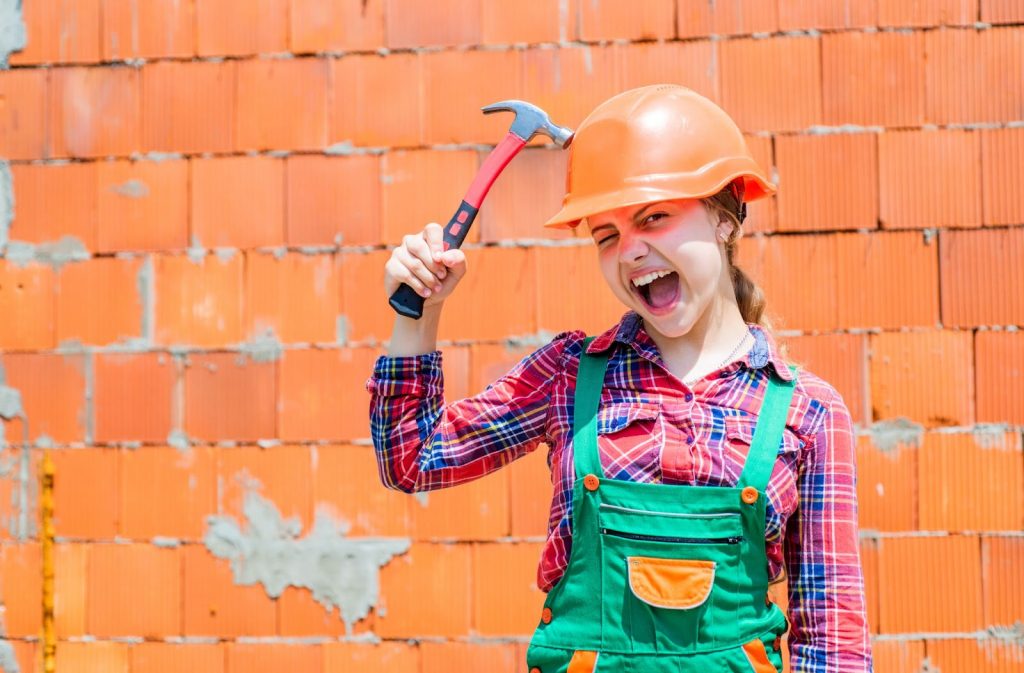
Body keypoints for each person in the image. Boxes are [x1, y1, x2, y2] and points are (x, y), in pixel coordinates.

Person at [367, 85, 872, 672]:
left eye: (653, 216)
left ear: (727, 216)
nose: (630, 251)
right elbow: (413, 458)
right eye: (606, 235)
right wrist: (419, 315)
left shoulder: (808, 412)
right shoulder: (568, 377)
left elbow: (832, 643)